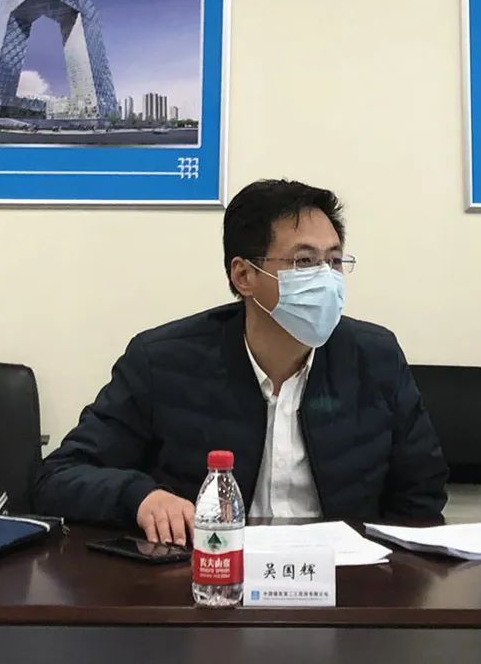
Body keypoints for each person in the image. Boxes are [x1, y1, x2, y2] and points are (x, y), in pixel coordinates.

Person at [33, 179, 448, 544]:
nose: (326, 278)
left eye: (334, 261)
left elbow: (420, 497)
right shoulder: (162, 361)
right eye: (304, 261)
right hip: (204, 578)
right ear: (244, 276)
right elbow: (58, 477)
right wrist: (140, 497)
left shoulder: (375, 359)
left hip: (342, 583)